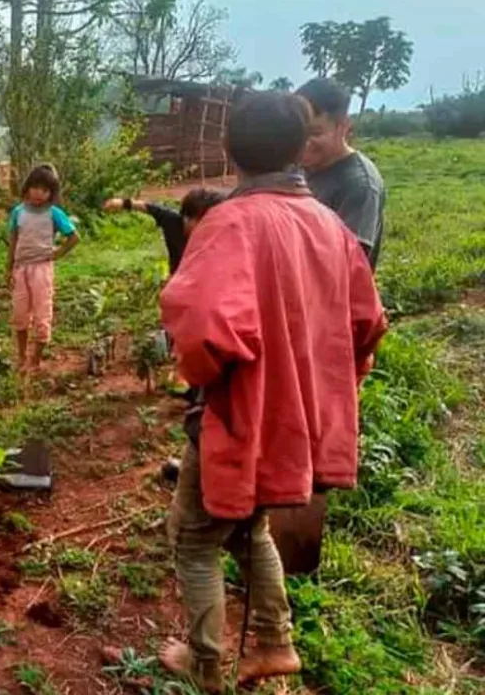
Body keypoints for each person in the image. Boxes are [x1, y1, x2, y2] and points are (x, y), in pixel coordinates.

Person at [157, 92, 388, 692]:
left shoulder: (230, 223)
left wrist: (207, 376)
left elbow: (203, 324)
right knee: (251, 527)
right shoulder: (329, 226)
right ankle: (274, 641)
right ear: (298, 148)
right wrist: (325, 383)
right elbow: (368, 322)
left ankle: (204, 664)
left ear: (229, 149)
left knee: (194, 536)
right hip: (300, 419)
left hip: (241, 415)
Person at [297, 77, 387, 269]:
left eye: (315, 133)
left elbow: (350, 267)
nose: (304, 143)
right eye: (298, 132)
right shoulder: (297, 166)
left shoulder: (360, 186)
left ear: (343, 127)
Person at [6, 164, 80, 372]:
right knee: (20, 314)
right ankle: (21, 357)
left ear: (51, 193)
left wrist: (57, 253)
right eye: (36, 188)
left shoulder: (54, 214)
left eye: (45, 190)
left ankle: (35, 361)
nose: (39, 194)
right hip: (21, 269)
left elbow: (74, 237)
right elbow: (13, 242)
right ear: (27, 188)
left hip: (41, 269)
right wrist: (8, 268)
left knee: (42, 314)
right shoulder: (18, 212)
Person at [103, 189, 228, 274]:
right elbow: (149, 207)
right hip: (179, 277)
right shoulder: (172, 221)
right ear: (186, 217)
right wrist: (122, 203)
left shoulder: (219, 233)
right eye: (200, 221)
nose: (205, 227)